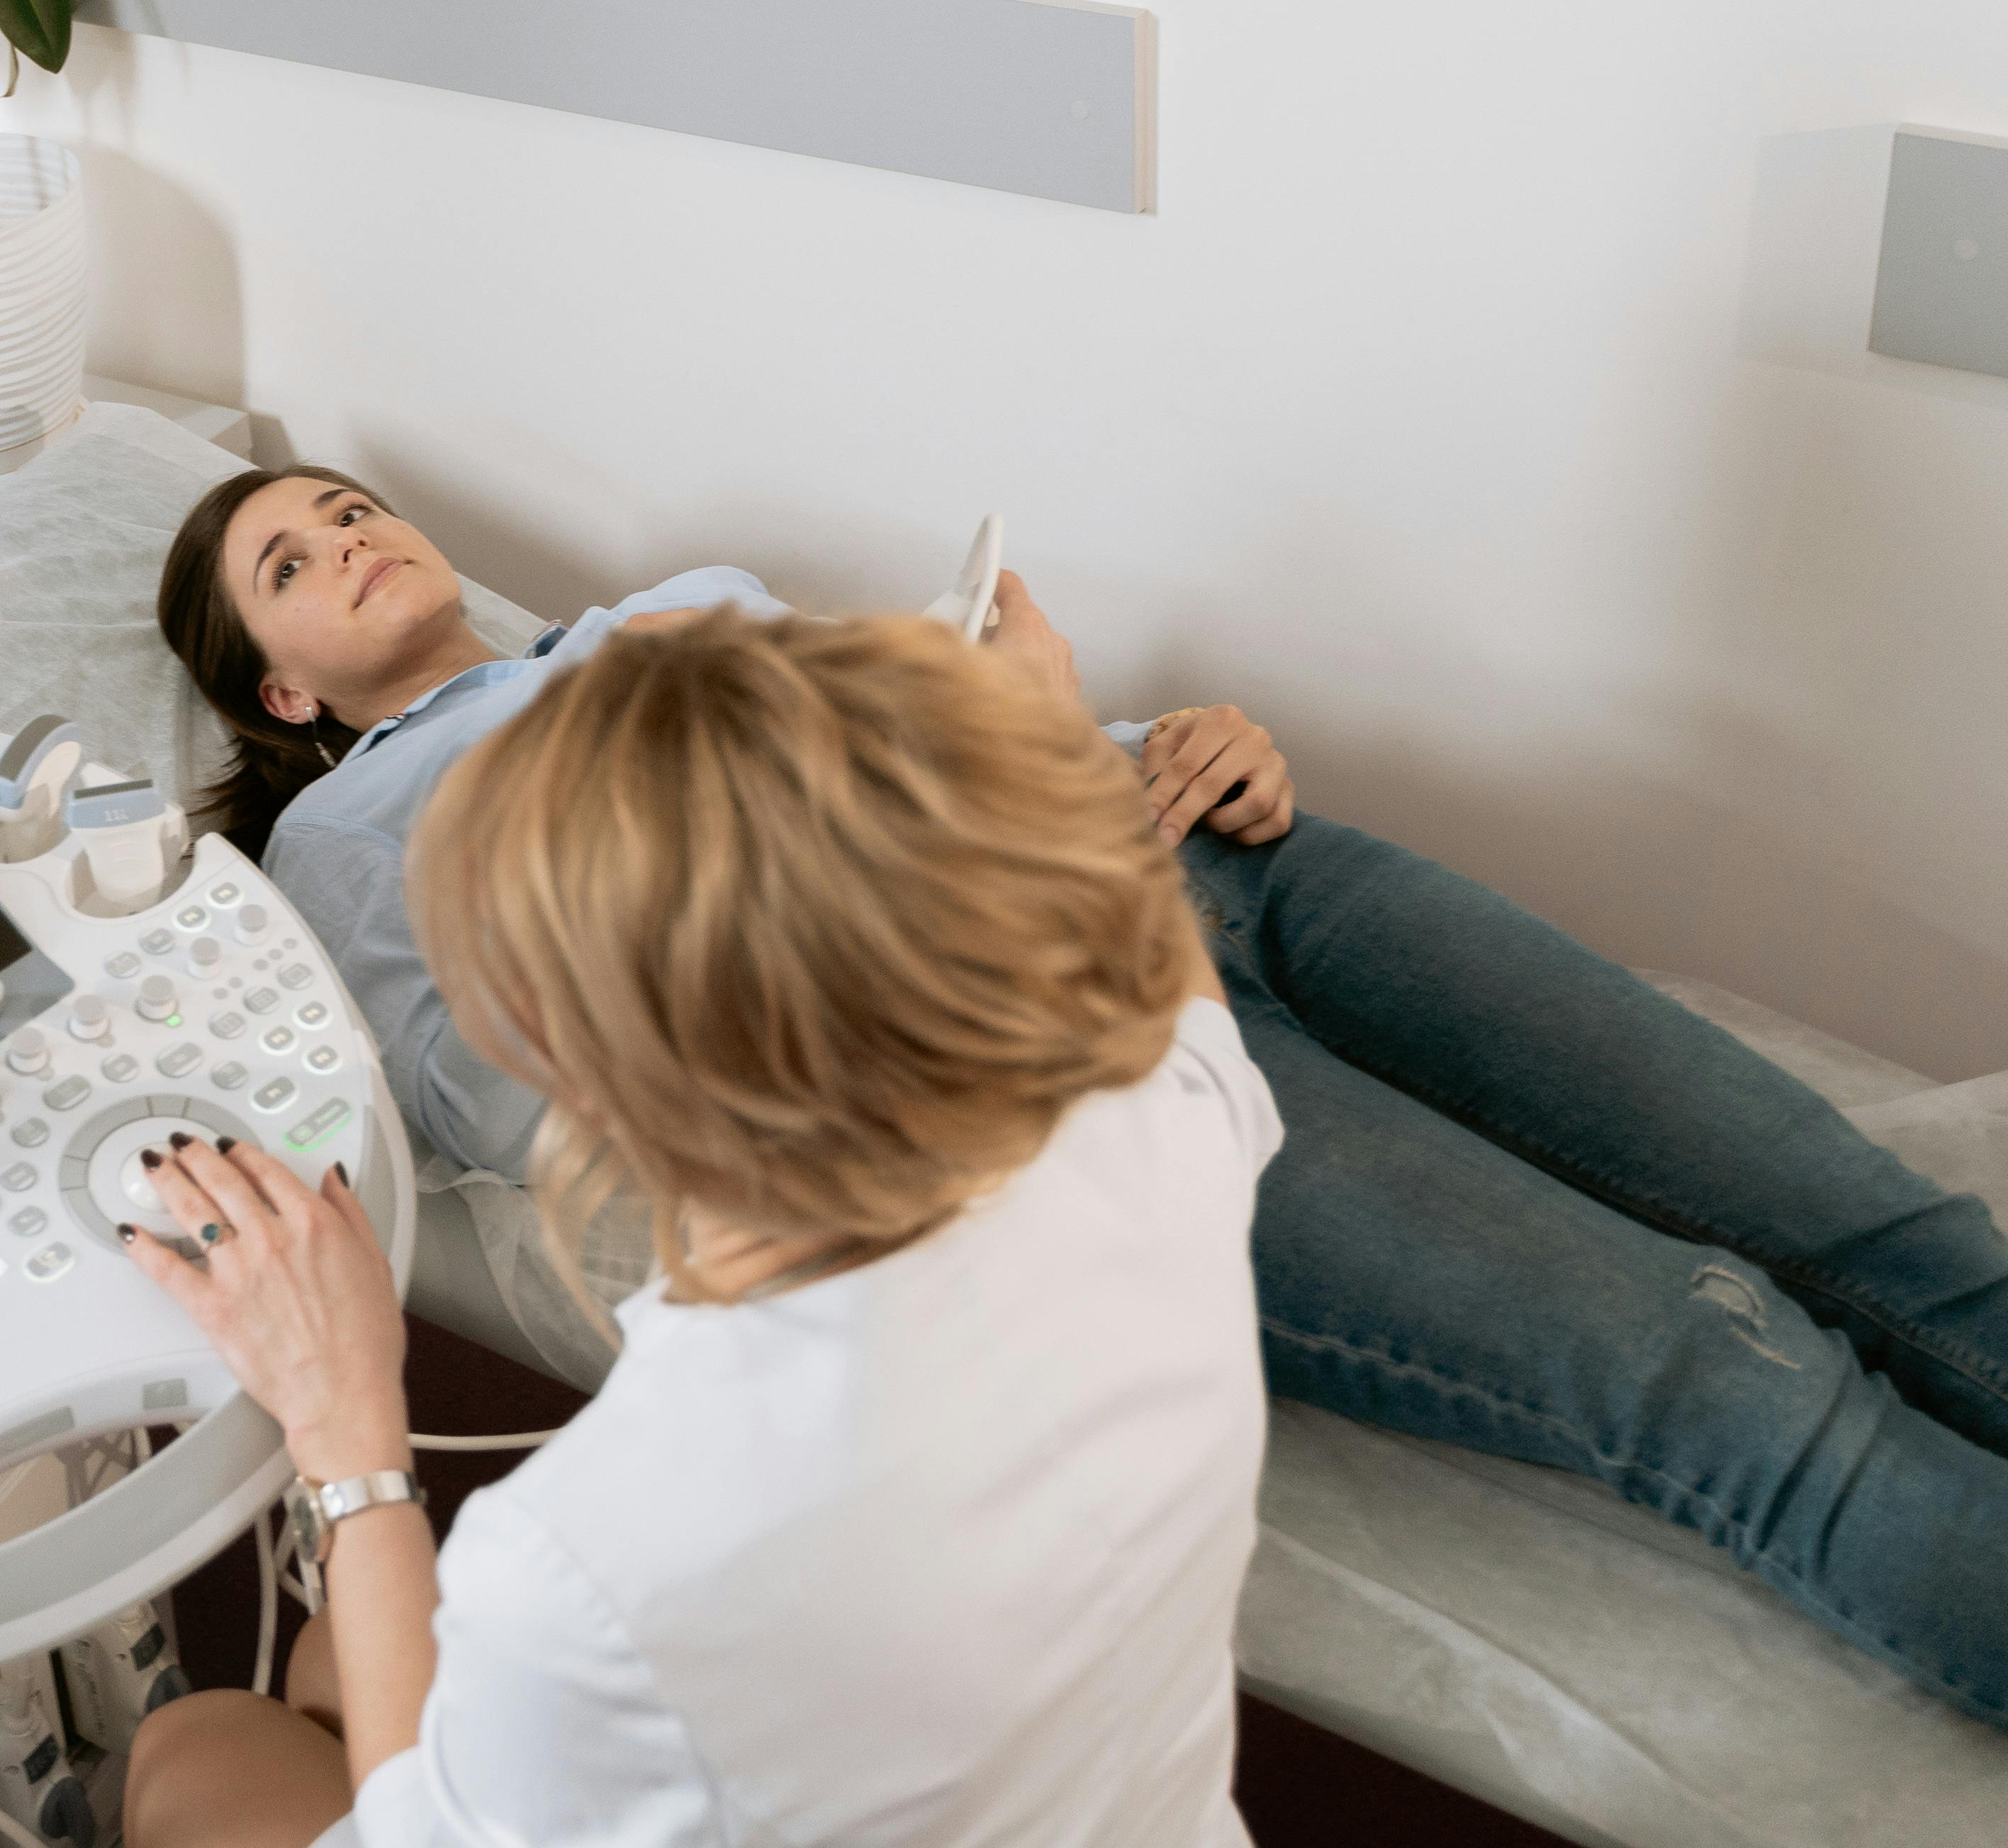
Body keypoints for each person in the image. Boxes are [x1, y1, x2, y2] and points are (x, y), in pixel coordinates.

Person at [156, 465, 2008, 1848]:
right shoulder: (359, 840)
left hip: (1146, 895)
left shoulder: (668, 628)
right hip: (1054, 993)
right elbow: (488, 1081)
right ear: (271, 698)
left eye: (339, 496)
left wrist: (1119, 753)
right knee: (1742, 1386)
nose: (345, 529)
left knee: (1896, 1234)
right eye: (287, 551)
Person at [116, 605, 1278, 1848]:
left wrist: (345, 1421)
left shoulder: (595, 1567)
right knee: (322, 1667)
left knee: (199, 1749)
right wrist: (1036, 735)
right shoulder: (1152, 1110)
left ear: (570, 1060)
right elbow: (1144, 929)